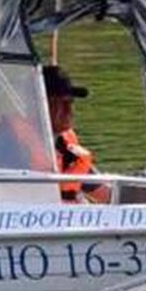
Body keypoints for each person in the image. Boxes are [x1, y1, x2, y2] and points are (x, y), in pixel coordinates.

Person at [44, 64, 110, 203]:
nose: (70, 111)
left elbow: (108, 195)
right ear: (42, 103)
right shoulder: (10, 142)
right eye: (63, 103)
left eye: (71, 103)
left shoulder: (66, 149)